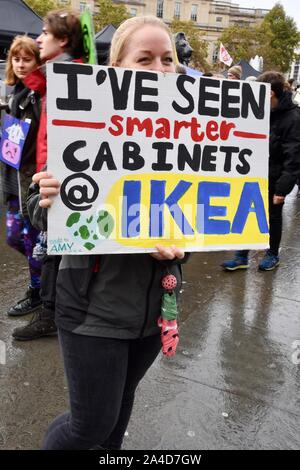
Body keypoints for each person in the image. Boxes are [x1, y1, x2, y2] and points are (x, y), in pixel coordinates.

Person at [27, 15, 189, 450]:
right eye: (145, 59)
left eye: (167, 59)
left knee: (119, 408)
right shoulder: (81, 121)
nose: (160, 69)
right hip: (92, 307)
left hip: (156, 308)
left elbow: (203, 221)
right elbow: (38, 216)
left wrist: (181, 248)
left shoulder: (188, 132)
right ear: (115, 68)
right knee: (90, 427)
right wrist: (47, 198)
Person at [12, 10, 84, 341]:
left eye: (45, 33)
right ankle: (50, 309)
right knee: (48, 244)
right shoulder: (49, 79)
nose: (39, 39)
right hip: (45, 172)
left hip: (62, 177)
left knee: (57, 247)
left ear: (64, 40)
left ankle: (51, 314)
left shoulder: (76, 78)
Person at [222, 71, 300, 271]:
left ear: (270, 93)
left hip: (274, 177)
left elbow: (293, 156)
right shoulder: (260, 112)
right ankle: (241, 255)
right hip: (253, 173)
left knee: (273, 215)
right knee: (247, 212)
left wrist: (282, 189)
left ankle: (272, 254)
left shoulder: (292, 118)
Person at [1, 36, 43, 317]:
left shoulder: (38, 95)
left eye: (27, 59)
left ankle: (37, 290)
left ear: (37, 62)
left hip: (30, 179)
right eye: (16, 59)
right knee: (15, 237)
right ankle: (44, 282)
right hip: (13, 178)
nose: (20, 64)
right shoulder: (14, 92)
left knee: (30, 240)